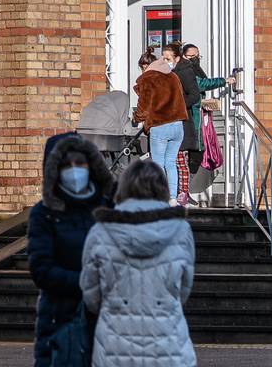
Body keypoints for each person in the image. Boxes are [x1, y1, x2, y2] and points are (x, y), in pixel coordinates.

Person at [80, 159, 196, 367]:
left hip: (114, 349)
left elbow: (91, 296)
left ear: (123, 188)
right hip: (169, 348)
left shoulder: (100, 231)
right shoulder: (181, 230)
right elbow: (184, 290)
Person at [30, 133, 114, 367]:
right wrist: (86, 282)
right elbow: (41, 268)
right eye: (67, 165)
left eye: (80, 163)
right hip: (60, 315)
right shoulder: (45, 213)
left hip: (104, 317)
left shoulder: (106, 207)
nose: (75, 170)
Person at [131, 45, 186, 200]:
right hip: (178, 125)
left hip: (160, 125)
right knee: (171, 163)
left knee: (158, 163)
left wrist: (136, 118)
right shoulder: (173, 76)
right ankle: (173, 198)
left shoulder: (148, 78)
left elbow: (143, 106)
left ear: (146, 67)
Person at [171, 44, 224, 204]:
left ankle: (184, 191)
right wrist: (224, 81)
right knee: (190, 156)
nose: (195, 59)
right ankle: (181, 191)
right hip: (189, 120)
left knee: (196, 155)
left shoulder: (193, 69)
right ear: (183, 56)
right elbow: (201, 84)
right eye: (192, 56)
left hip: (198, 118)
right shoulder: (185, 72)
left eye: (197, 56)